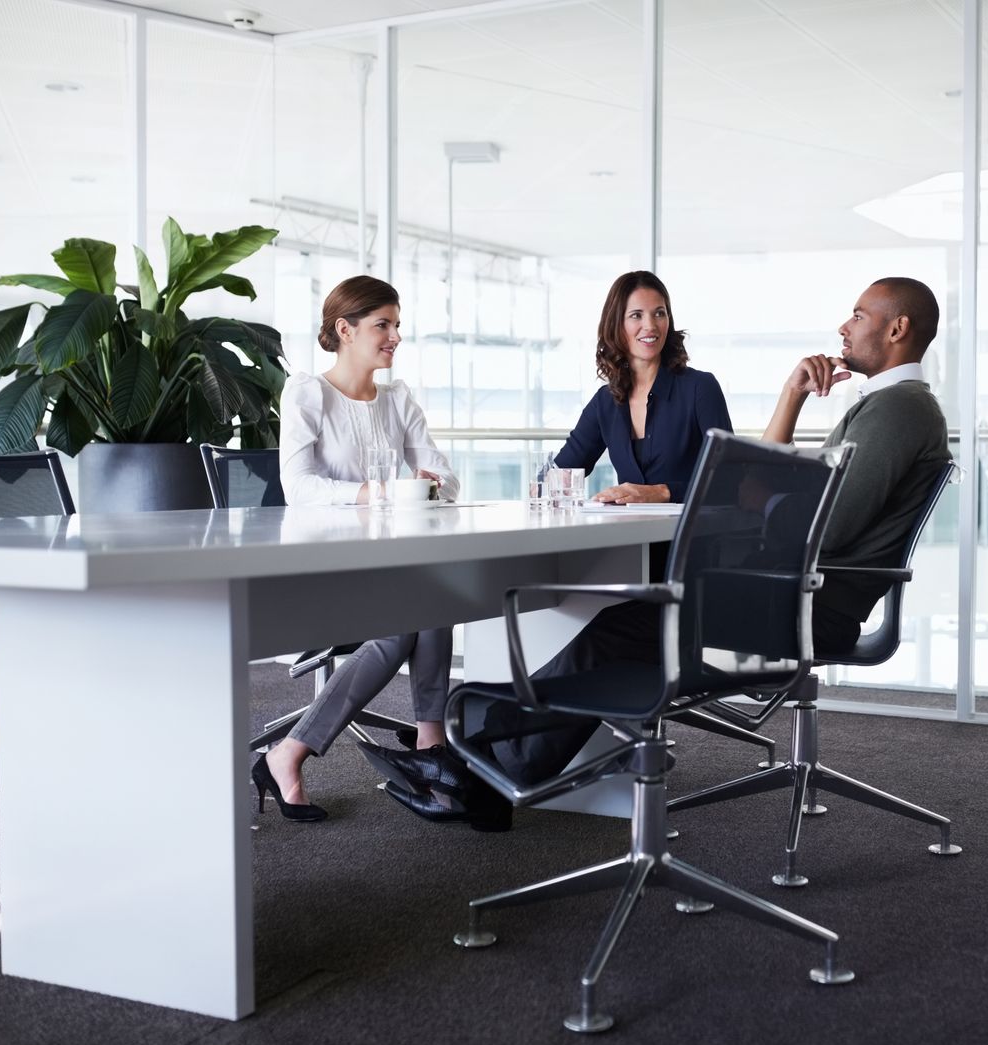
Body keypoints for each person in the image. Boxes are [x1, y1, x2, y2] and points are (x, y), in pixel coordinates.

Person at [479, 277, 951, 788]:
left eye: (858, 315)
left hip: (806, 604)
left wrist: (759, 497)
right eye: (636, 316)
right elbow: (792, 497)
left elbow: (825, 527)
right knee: (625, 626)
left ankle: (489, 758)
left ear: (898, 328)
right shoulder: (886, 405)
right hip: (794, 593)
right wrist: (790, 407)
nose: (844, 325)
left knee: (618, 631)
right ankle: (494, 758)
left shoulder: (898, 409)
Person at [255, 275, 460, 822]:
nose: (394, 336)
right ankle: (302, 750)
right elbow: (298, 489)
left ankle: (426, 747)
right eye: (382, 325)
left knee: (434, 594)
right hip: (321, 569)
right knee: (415, 613)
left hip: (383, 567)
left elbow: (444, 476)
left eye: (397, 325)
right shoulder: (307, 393)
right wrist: (381, 491)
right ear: (344, 330)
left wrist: (428, 483)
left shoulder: (397, 399)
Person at [553, 270, 732, 504]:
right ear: (617, 325)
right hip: (633, 536)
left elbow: (731, 481)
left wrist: (663, 492)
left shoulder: (700, 388)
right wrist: (552, 487)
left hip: (692, 536)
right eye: (636, 315)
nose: (650, 325)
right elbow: (558, 476)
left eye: (659, 313)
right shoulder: (605, 402)